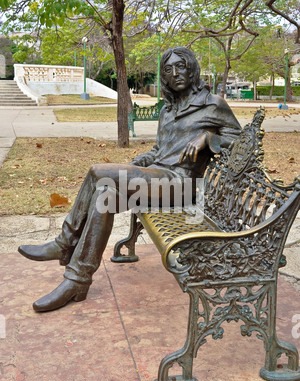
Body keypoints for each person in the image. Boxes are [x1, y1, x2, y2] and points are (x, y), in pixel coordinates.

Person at [18, 46, 241, 312]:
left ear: (191, 68)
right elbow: (159, 151)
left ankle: (64, 243)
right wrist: (138, 163)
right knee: (105, 196)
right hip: (157, 181)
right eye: (168, 70)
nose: (175, 73)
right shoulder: (167, 111)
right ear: (164, 78)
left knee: (98, 171)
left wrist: (209, 138)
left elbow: (242, 141)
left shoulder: (212, 104)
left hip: (182, 186)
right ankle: (78, 279)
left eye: (181, 66)